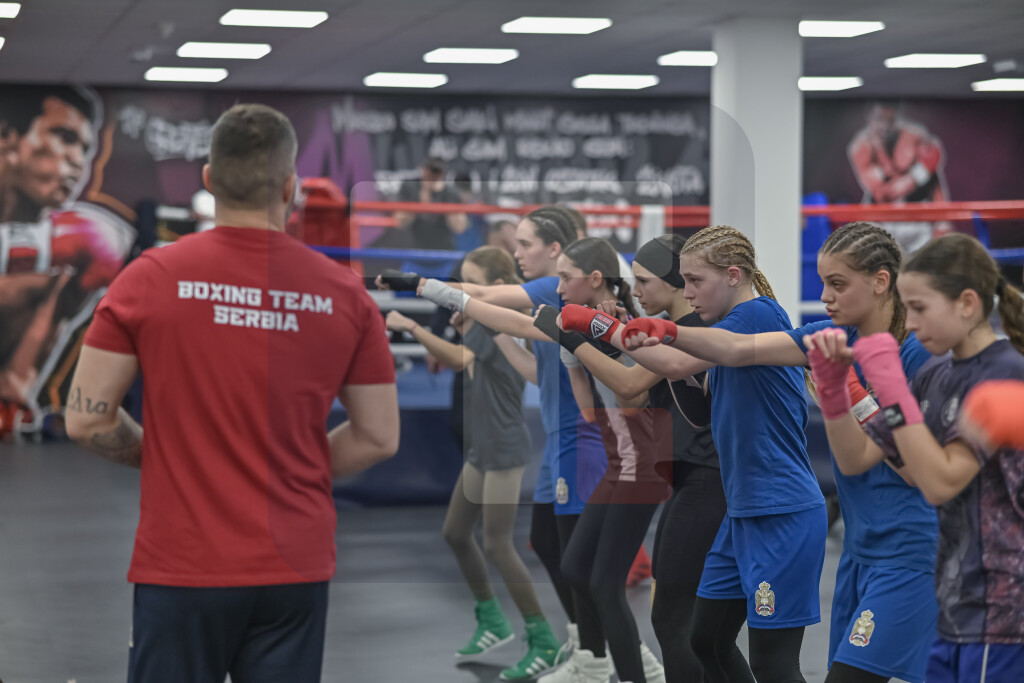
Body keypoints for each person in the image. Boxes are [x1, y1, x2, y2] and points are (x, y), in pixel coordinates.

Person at [64, 103, 400, 683]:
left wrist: (171, 457)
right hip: (293, 566)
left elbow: (87, 420)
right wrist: (286, 466)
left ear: (209, 181)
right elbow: (377, 438)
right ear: (291, 187)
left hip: (184, 564)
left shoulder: (149, 277)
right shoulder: (345, 295)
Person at [612, 222, 939, 683]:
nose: (824, 295)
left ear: (881, 282)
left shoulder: (917, 355)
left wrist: (856, 393)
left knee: (791, 665)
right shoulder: (828, 335)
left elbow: (912, 469)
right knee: (705, 639)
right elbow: (735, 352)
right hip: (852, 545)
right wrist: (668, 330)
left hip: (890, 543)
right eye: (823, 282)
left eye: (837, 284)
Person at [560, 225, 827, 683]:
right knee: (704, 640)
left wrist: (595, 326)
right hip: (739, 511)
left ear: (733, 275)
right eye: (682, 281)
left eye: (695, 281)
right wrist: (618, 333)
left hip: (780, 508)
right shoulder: (720, 336)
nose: (687, 292)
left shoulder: (758, 316)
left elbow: (675, 362)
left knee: (772, 662)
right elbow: (674, 382)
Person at [386, 208, 608, 677]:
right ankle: (570, 638)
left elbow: (480, 305)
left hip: (556, 443)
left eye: (525, 244)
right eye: (516, 244)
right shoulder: (543, 305)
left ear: (554, 251)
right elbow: (533, 368)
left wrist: (422, 293)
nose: (518, 252)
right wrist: (498, 324)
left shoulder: (548, 292)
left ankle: (588, 649)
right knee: (537, 544)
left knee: (545, 552)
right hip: (531, 442)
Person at [804, 232, 1024, 683]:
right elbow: (859, 459)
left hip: (996, 599)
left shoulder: (1002, 375)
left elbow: (937, 483)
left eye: (920, 308)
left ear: (966, 303)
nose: (912, 321)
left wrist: (884, 384)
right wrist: (833, 392)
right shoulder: (937, 373)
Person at [545, 233, 723, 682]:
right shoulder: (666, 326)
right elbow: (632, 400)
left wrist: (572, 338)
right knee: (682, 622)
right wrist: (607, 337)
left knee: (679, 621)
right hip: (674, 469)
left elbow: (629, 387)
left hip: (699, 474)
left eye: (644, 281)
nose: (636, 290)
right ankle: (620, 664)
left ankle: (625, 668)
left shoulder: (694, 332)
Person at [532, 237, 667, 683]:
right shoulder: (592, 325)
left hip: (644, 466)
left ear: (593, 279)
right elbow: (592, 412)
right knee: (575, 567)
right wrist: (572, 348)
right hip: (618, 463)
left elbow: (634, 396)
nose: (559, 288)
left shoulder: (640, 324)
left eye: (566, 277)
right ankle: (638, 661)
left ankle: (632, 671)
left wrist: (595, 340)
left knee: (605, 584)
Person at [0, 85, 134, 433]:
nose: (78, 159)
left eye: (85, 148)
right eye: (64, 137)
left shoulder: (87, 241)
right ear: (7, 137)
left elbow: (48, 327)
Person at [847, 101, 950, 254]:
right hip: (883, 221)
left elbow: (933, 163)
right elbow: (883, 192)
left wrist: (941, 223)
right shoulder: (861, 147)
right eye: (879, 118)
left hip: (917, 219)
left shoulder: (916, 136)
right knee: (879, 265)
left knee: (924, 268)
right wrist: (915, 176)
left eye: (889, 119)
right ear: (870, 118)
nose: (884, 125)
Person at [393, 157, 468, 279]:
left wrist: (444, 197)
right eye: (430, 171)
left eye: (436, 172)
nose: (432, 176)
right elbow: (400, 222)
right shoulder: (410, 187)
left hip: (444, 260)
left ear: (443, 174)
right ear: (422, 170)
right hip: (414, 258)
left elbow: (459, 228)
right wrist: (422, 195)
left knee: (448, 294)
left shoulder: (451, 193)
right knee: (402, 294)